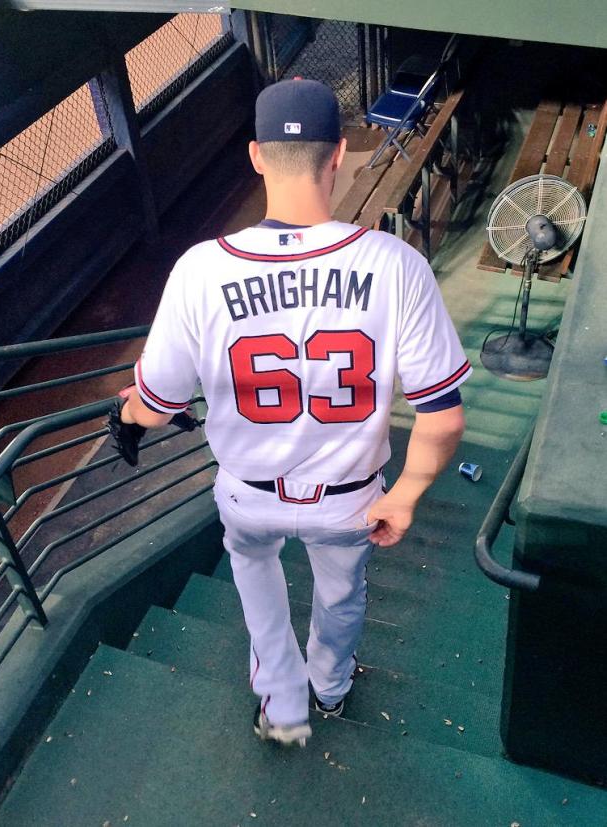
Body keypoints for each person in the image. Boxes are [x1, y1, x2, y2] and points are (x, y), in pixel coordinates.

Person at [120, 78, 470, 747]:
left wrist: (128, 417)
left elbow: (156, 407)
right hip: (349, 500)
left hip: (247, 495)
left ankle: (282, 703)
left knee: (256, 576)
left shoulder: (199, 270)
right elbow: (443, 418)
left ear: (256, 156)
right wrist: (405, 497)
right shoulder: (396, 264)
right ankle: (330, 689)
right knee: (340, 597)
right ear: (339, 154)